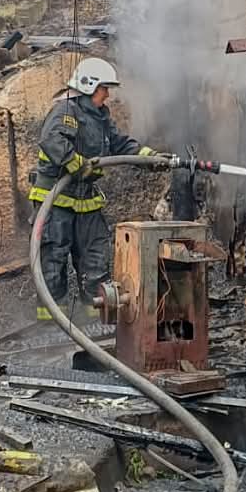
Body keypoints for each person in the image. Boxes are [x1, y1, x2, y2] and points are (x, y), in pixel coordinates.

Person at [29, 57, 170, 322]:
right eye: (105, 87)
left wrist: (148, 157)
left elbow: (118, 143)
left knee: (95, 258)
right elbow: (52, 140)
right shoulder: (66, 112)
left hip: (86, 201)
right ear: (89, 85)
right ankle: (48, 326)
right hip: (56, 201)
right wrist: (76, 163)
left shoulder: (100, 117)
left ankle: (93, 321)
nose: (108, 93)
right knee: (52, 262)